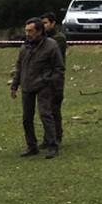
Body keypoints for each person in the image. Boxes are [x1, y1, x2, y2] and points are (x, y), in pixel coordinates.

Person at [10, 17, 65, 159]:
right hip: (27, 86)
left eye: (31, 31)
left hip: (44, 86)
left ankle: (52, 145)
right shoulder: (24, 47)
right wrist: (15, 85)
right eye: (26, 31)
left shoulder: (51, 46)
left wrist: (50, 81)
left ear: (39, 31)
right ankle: (32, 146)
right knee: (26, 118)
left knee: (45, 115)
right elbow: (19, 67)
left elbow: (59, 68)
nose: (28, 34)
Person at [41, 12, 67, 147]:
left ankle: (57, 136)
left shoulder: (59, 39)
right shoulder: (43, 39)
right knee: (45, 110)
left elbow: (54, 59)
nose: (44, 26)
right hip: (44, 79)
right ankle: (48, 138)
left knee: (54, 108)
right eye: (42, 23)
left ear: (53, 23)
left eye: (46, 23)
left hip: (56, 79)